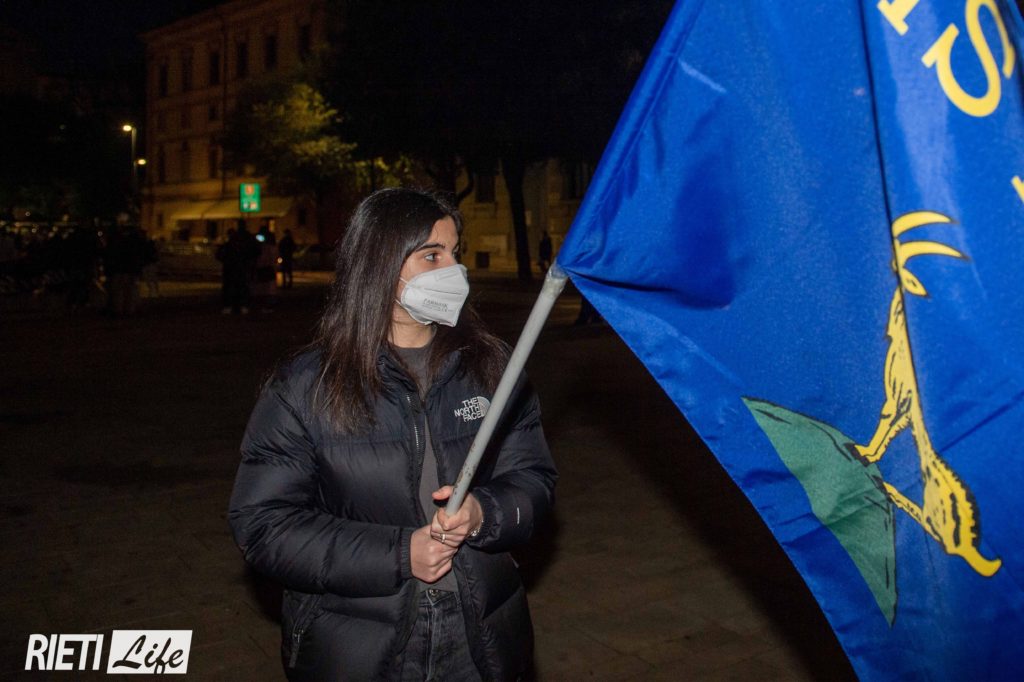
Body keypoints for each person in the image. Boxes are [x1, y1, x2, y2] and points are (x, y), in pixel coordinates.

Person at [228, 187, 557, 681]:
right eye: (432, 255)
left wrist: (484, 512)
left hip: (479, 634)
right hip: (358, 641)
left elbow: (533, 480)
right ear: (379, 264)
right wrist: (399, 554)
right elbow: (263, 524)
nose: (455, 271)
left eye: (456, 252)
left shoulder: (491, 368)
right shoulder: (306, 387)